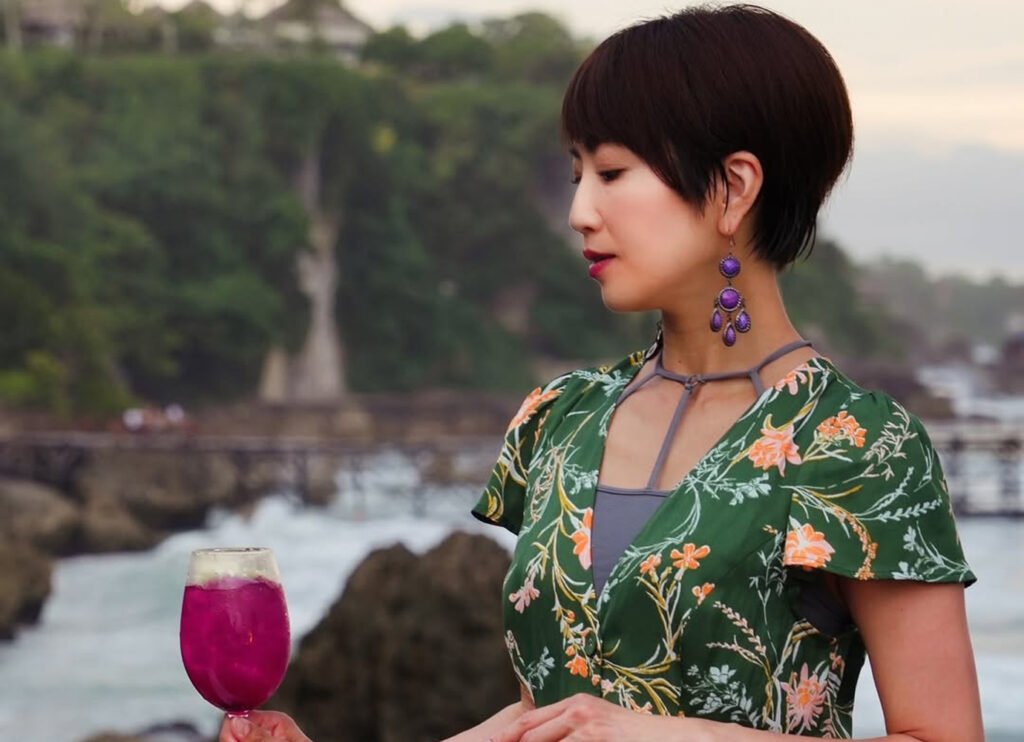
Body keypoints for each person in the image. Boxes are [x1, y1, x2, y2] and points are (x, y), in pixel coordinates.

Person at [220, 4, 983, 741]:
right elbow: (541, 720)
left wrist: (668, 736)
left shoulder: (856, 445)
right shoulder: (558, 417)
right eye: (577, 172)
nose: (581, 210)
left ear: (734, 187)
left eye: (613, 172)